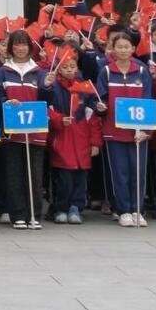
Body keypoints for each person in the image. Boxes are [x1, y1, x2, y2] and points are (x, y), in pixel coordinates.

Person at [0, 30, 51, 230]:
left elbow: (47, 100)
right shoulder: (2, 72)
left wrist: (48, 87)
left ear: (30, 46)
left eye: (23, 44)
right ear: (11, 47)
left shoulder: (40, 72)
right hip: (12, 132)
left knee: (34, 174)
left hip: (35, 132)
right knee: (14, 173)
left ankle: (34, 213)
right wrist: (7, 102)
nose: (20, 48)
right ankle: (17, 214)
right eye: (16, 44)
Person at [96, 31, 154, 227]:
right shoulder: (105, 71)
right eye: (119, 47)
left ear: (133, 49)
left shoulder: (142, 71)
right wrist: (101, 107)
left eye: (126, 47)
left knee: (138, 171)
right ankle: (123, 210)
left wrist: (146, 130)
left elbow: (148, 100)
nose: (122, 50)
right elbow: (100, 99)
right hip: (114, 130)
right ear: (112, 49)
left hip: (138, 132)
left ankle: (138, 209)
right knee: (119, 172)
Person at [45, 55, 101, 224]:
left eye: (72, 66)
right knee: (63, 179)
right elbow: (48, 111)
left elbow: (92, 119)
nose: (69, 70)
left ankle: (76, 207)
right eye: (65, 67)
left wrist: (95, 143)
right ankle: (60, 207)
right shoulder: (53, 88)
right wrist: (59, 120)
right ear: (58, 69)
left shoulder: (85, 88)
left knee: (80, 178)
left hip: (82, 140)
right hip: (62, 139)